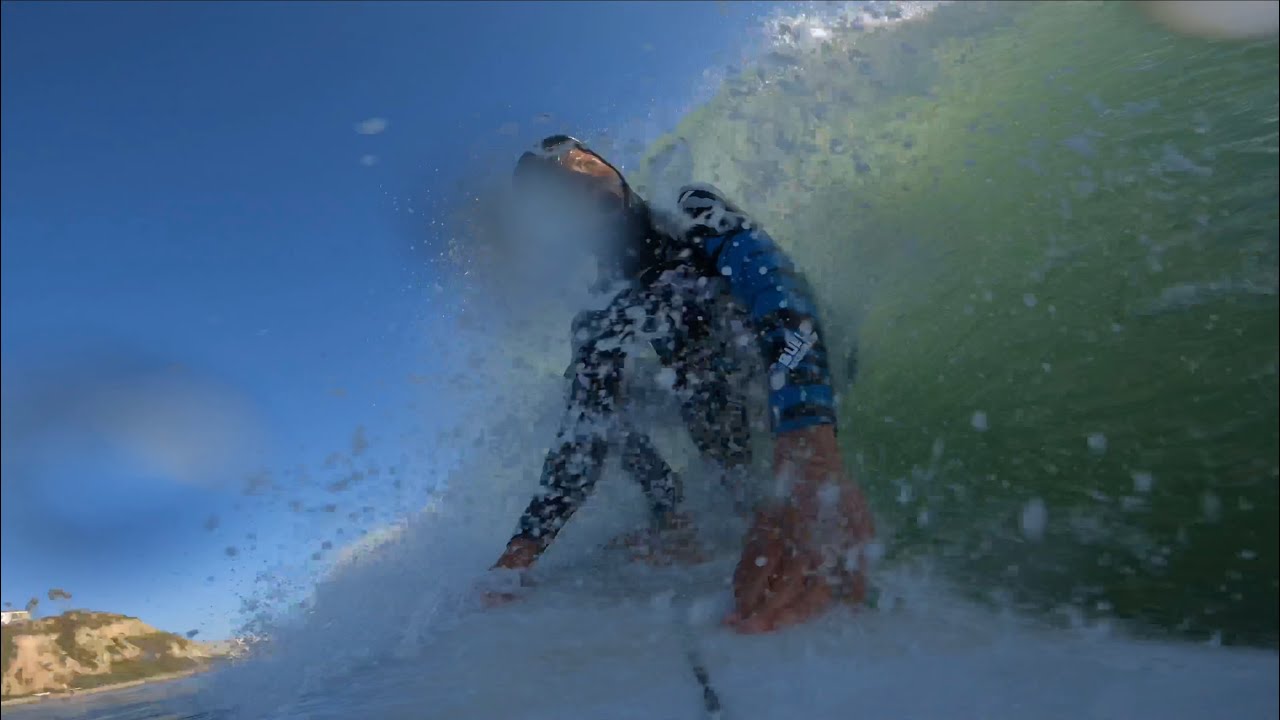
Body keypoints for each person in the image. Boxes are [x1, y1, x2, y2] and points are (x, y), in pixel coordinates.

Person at [487, 135, 876, 634]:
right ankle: (675, 520)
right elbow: (582, 436)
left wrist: (808, 443)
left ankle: (792, 472)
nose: (578, 179)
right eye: (558, 192)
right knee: (588, 395)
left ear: (606, 164)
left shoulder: (689, 211)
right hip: (717, 398)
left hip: (798, 362)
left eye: (581, 162)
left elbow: (772, 284)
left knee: (738, 345)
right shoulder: (601, 311)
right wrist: (518, 557)